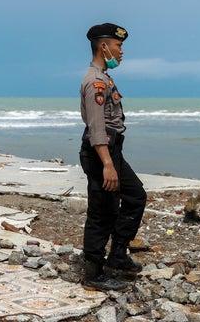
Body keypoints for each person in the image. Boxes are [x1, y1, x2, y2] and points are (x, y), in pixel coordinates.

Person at [78, 23, 147, 291]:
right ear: (104, 46)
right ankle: (93, 272)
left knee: (135, 196)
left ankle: (117, 255)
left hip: (111, 150)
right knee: (102, 211)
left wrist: (112, 159)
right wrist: (107, 164)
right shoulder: (94, 81)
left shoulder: (105, 77)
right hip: (100, 153)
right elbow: (96, 128)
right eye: (118, 46)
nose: (121, 52)